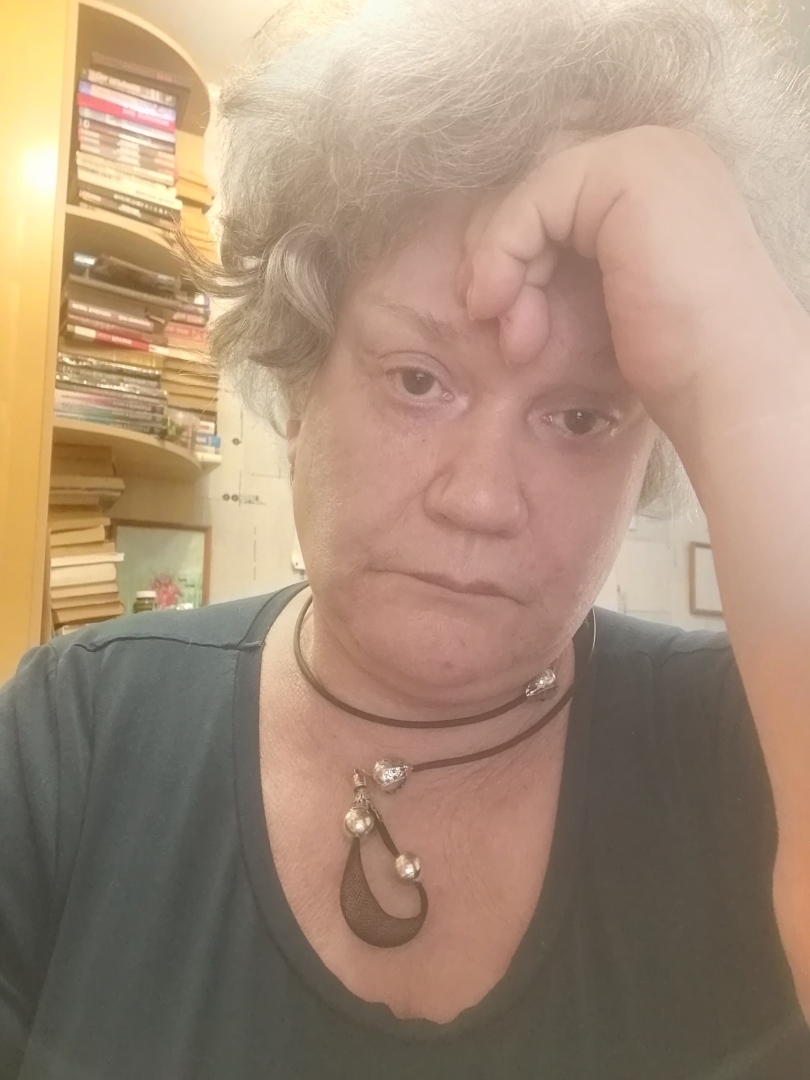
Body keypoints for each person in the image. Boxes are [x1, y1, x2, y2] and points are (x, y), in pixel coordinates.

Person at [2, 0, 810, 1075]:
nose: (482, 498)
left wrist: (755, 375)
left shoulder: (752, 741)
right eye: (418, 380)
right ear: (300, 381)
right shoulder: (78, 735)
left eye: (579, 417)